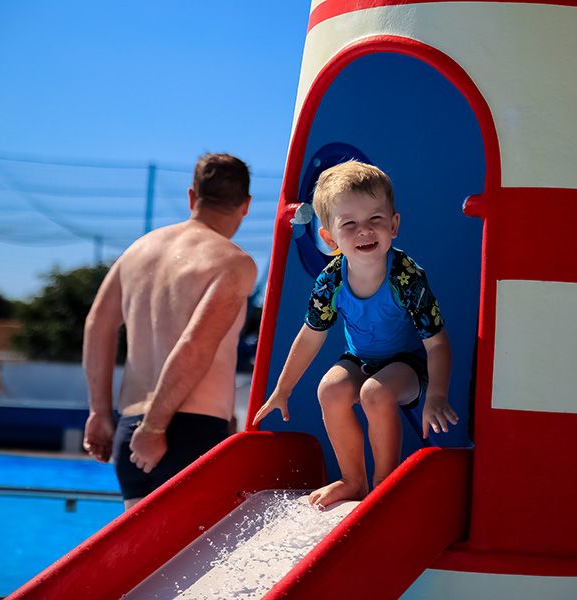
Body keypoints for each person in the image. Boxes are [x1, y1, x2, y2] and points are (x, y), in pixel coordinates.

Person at [253, 161, 457, 508]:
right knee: (330, 390)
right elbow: (311, 335)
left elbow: (437, 344)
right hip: (359, 359)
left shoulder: (406, 277)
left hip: (407, 365)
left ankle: (384, 484)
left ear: (394, 225)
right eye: (349, 224)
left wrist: (436, 395)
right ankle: (353, 480)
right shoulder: (331, 279)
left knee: (375, 393)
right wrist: (282, 389)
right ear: (329, 238)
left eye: (375, 219)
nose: (364, 230)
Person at [83, 153, 257, 509]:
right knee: (197, 547)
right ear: (246, 205)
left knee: (145, 546)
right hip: (185, 430)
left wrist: (99, 412)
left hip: (129, 428)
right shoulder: (232, 262)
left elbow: (97, 325)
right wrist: (155, 427)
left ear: (192, 197)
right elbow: (195, 344)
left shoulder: (137, 251)